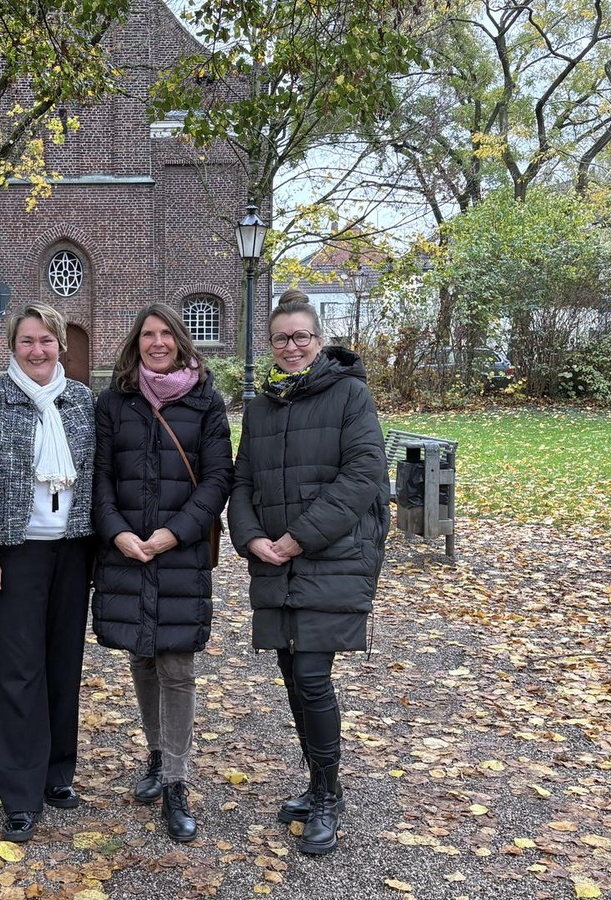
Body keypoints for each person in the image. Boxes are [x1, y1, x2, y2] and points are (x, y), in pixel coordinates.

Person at [227, 294, 388, 856]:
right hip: (275, 560)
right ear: (270, 346)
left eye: (301, 337)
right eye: (281, 339)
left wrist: (300, 537)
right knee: (292, 673)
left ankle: (328, 797)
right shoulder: (263, 405)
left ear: (319, 341)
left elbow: (364, 474)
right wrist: (251, 538)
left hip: (330, 558)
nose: (291, 347)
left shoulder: (350, 395)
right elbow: (242, 478)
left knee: (313, 676)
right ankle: (319, 783)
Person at [92, 303, 234, 842]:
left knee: (177, 665)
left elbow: (219, 478)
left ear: (180, 341)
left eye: (166, 334)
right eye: (148, 334)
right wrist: (117, 532)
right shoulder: (115, 401)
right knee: (143, 658)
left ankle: (176, 780)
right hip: (126, 549)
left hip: (180, 549)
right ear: (137, 341)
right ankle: (156, 755)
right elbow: (99, 478)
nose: (157, 343)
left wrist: (174, 533)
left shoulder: (205, 401)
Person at [0, 302, 96, 843]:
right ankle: (19, 790)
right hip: (14, 553)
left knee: (63, 665)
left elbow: (95, 477)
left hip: (73, 552)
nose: (37, 351)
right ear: (11, 348)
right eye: (26, 342)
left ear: (60, 344)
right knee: (18, 673)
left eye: (46, 341)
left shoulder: (82, 400)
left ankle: (57, 774)